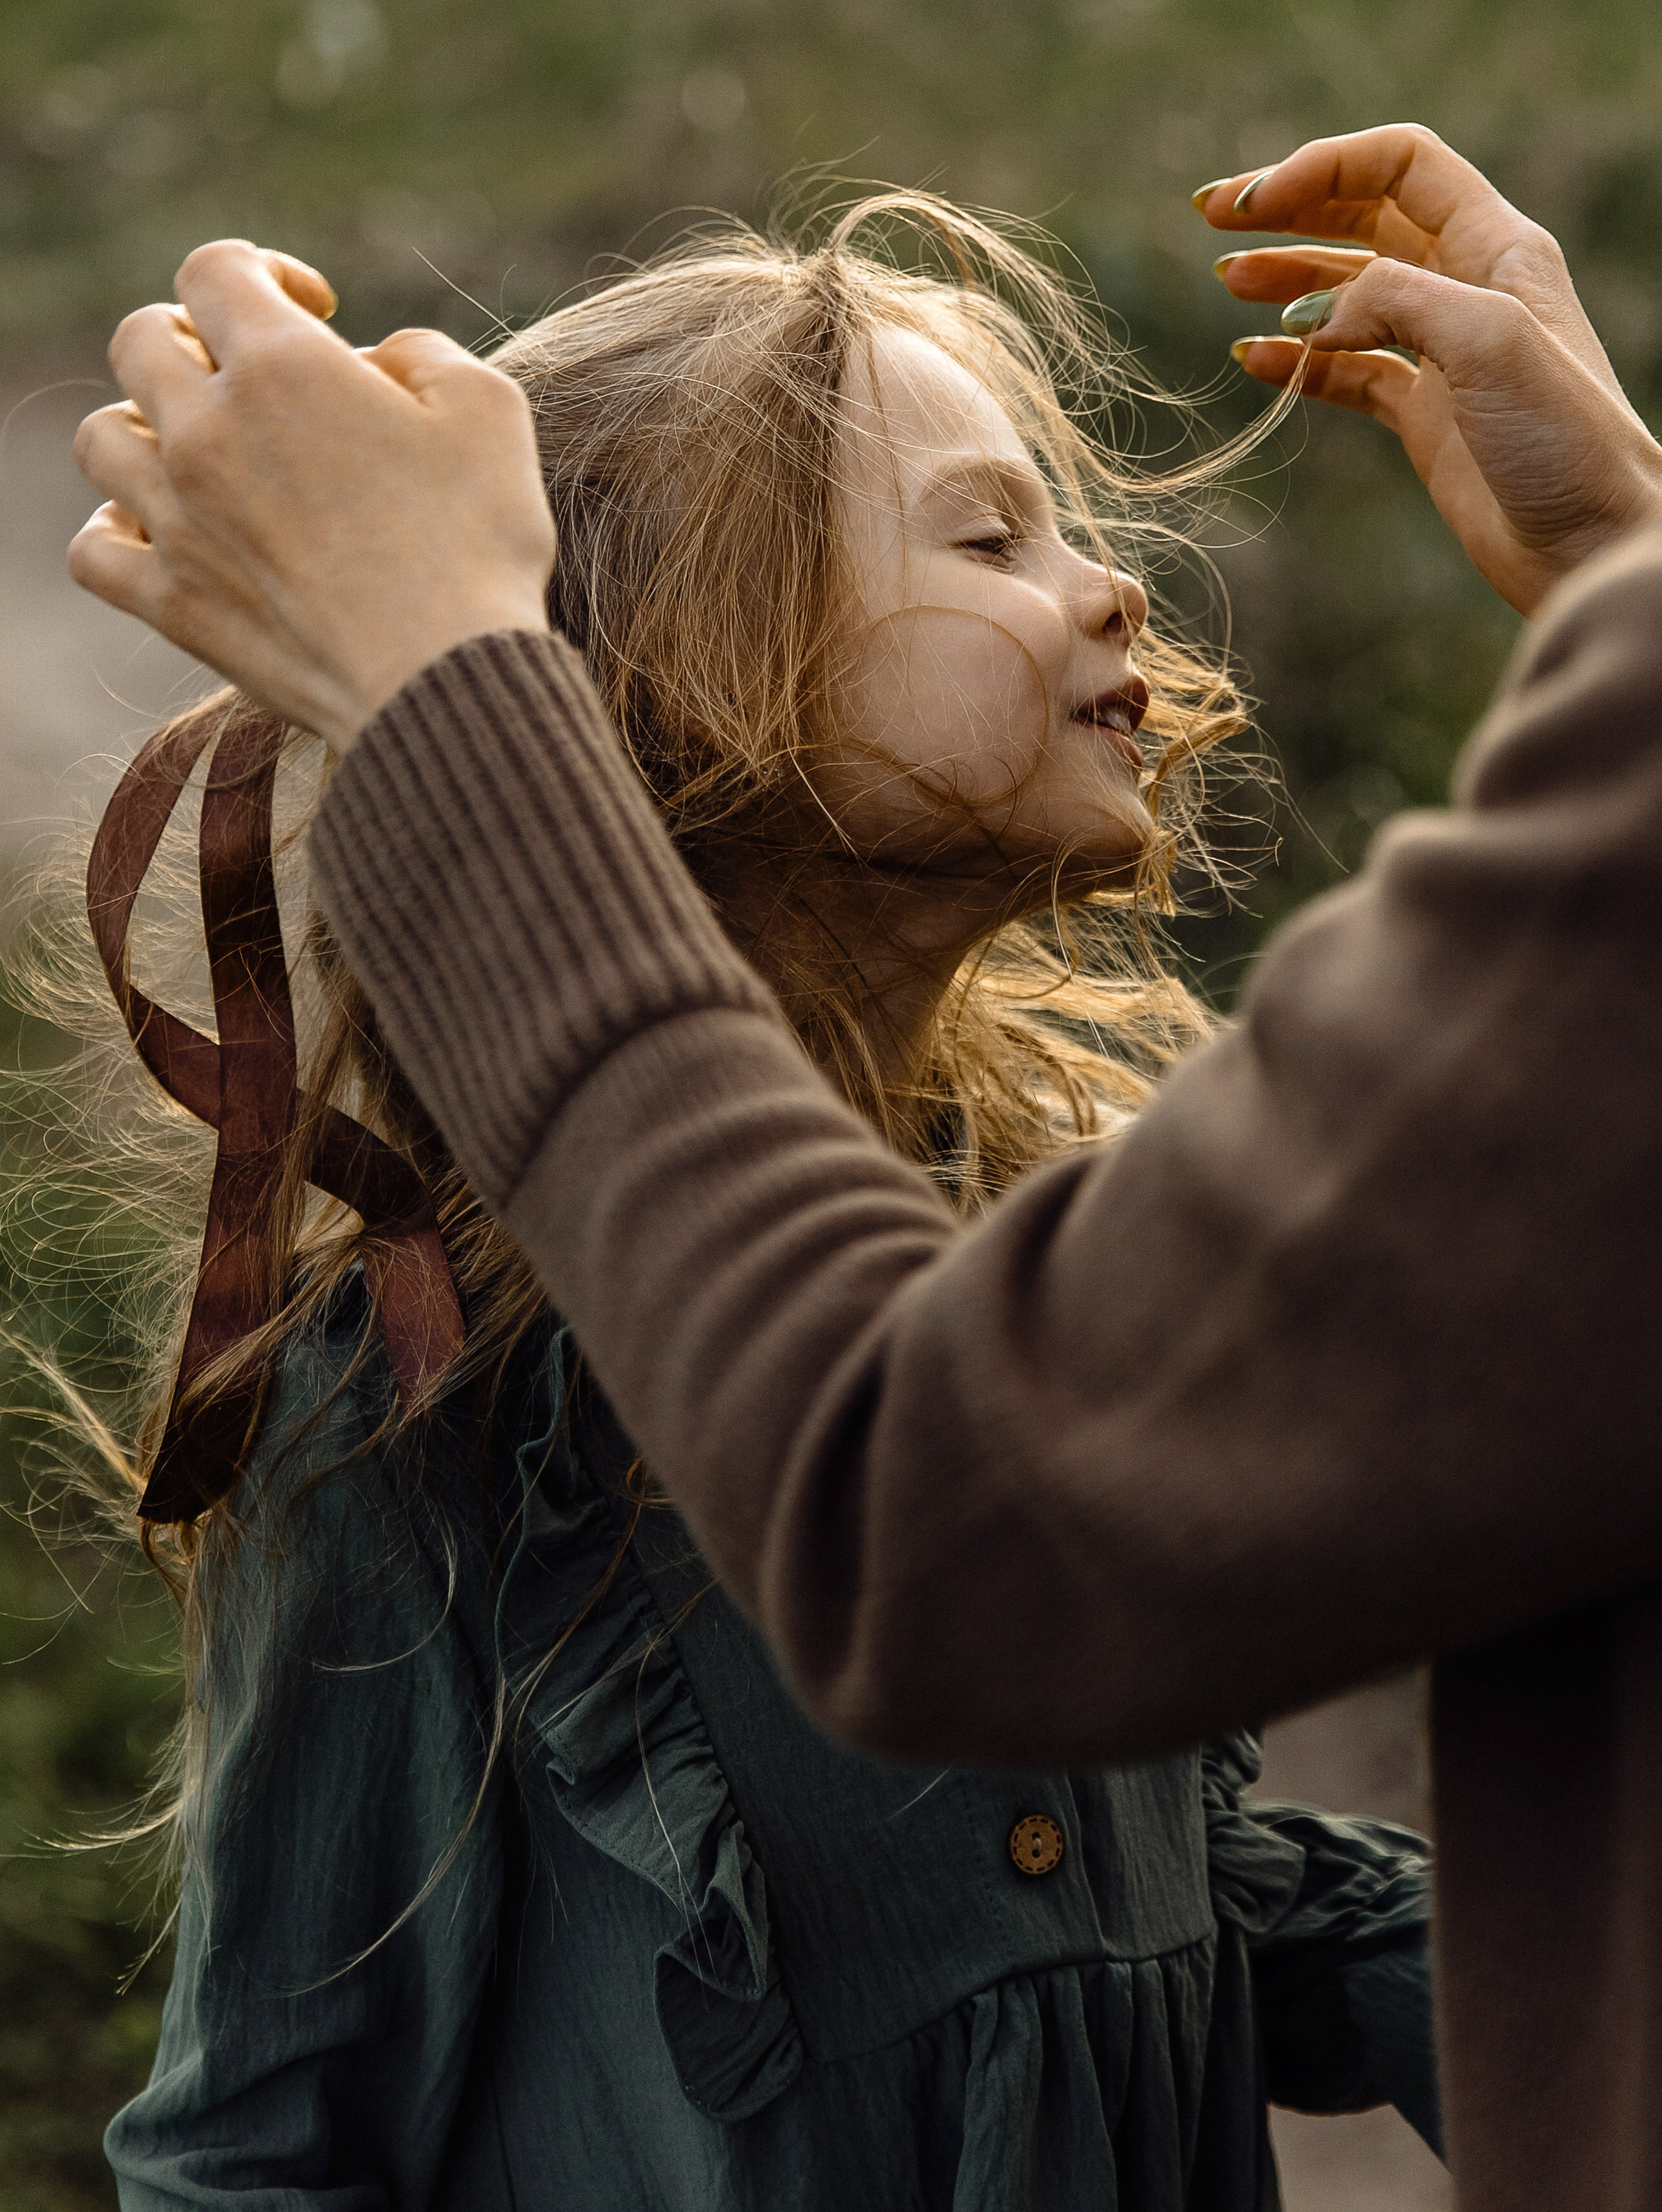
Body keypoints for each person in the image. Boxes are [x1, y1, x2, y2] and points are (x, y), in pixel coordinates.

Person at [68, 124, 1662, 2211]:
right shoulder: (420, 1396)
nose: (1112, 587)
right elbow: (262, 2138)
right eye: (988, 539)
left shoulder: (1047, 1231)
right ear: (691, 687)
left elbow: (1122, 1868)